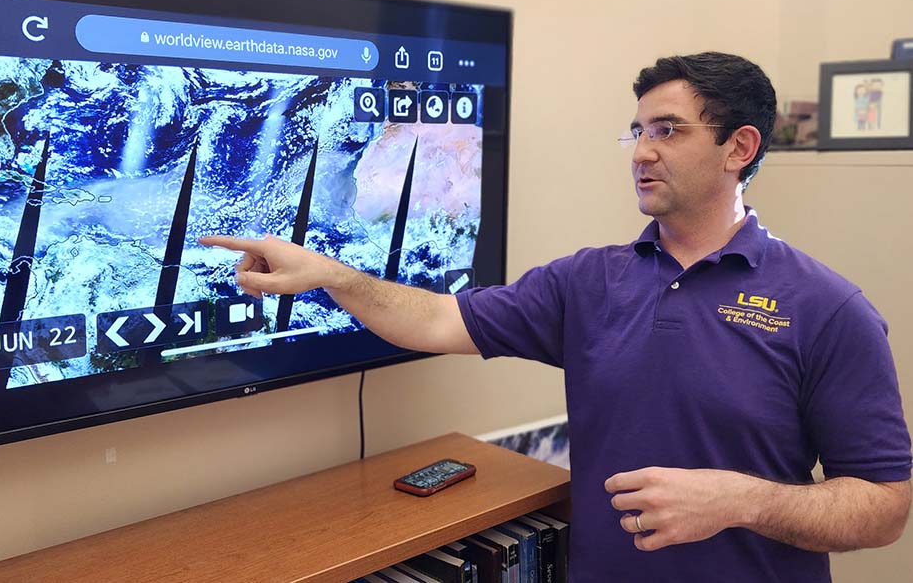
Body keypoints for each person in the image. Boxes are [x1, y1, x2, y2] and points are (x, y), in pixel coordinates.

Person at [200, 52, 911, 582]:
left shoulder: (827, 308)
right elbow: (438, 321)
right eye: (635, 130)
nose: (642, 152)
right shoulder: (590, 281)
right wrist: (331, 275)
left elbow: (883, 507)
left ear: (740, 148)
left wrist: (742, 501)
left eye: (668, 129)